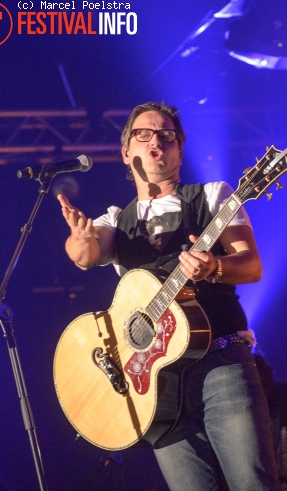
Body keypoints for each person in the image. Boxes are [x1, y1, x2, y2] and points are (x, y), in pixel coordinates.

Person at [57, 102, 280, 490]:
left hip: (221, 363)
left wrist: (215, 267)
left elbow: (252, 265)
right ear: (126, 152)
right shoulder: (116, 221)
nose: (156, 141)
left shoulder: (212, 196)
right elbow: (85, 256)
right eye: (143, 134)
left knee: (253, 483)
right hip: (154, 389)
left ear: (179, 150)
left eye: (166, 135)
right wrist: (79, 238)